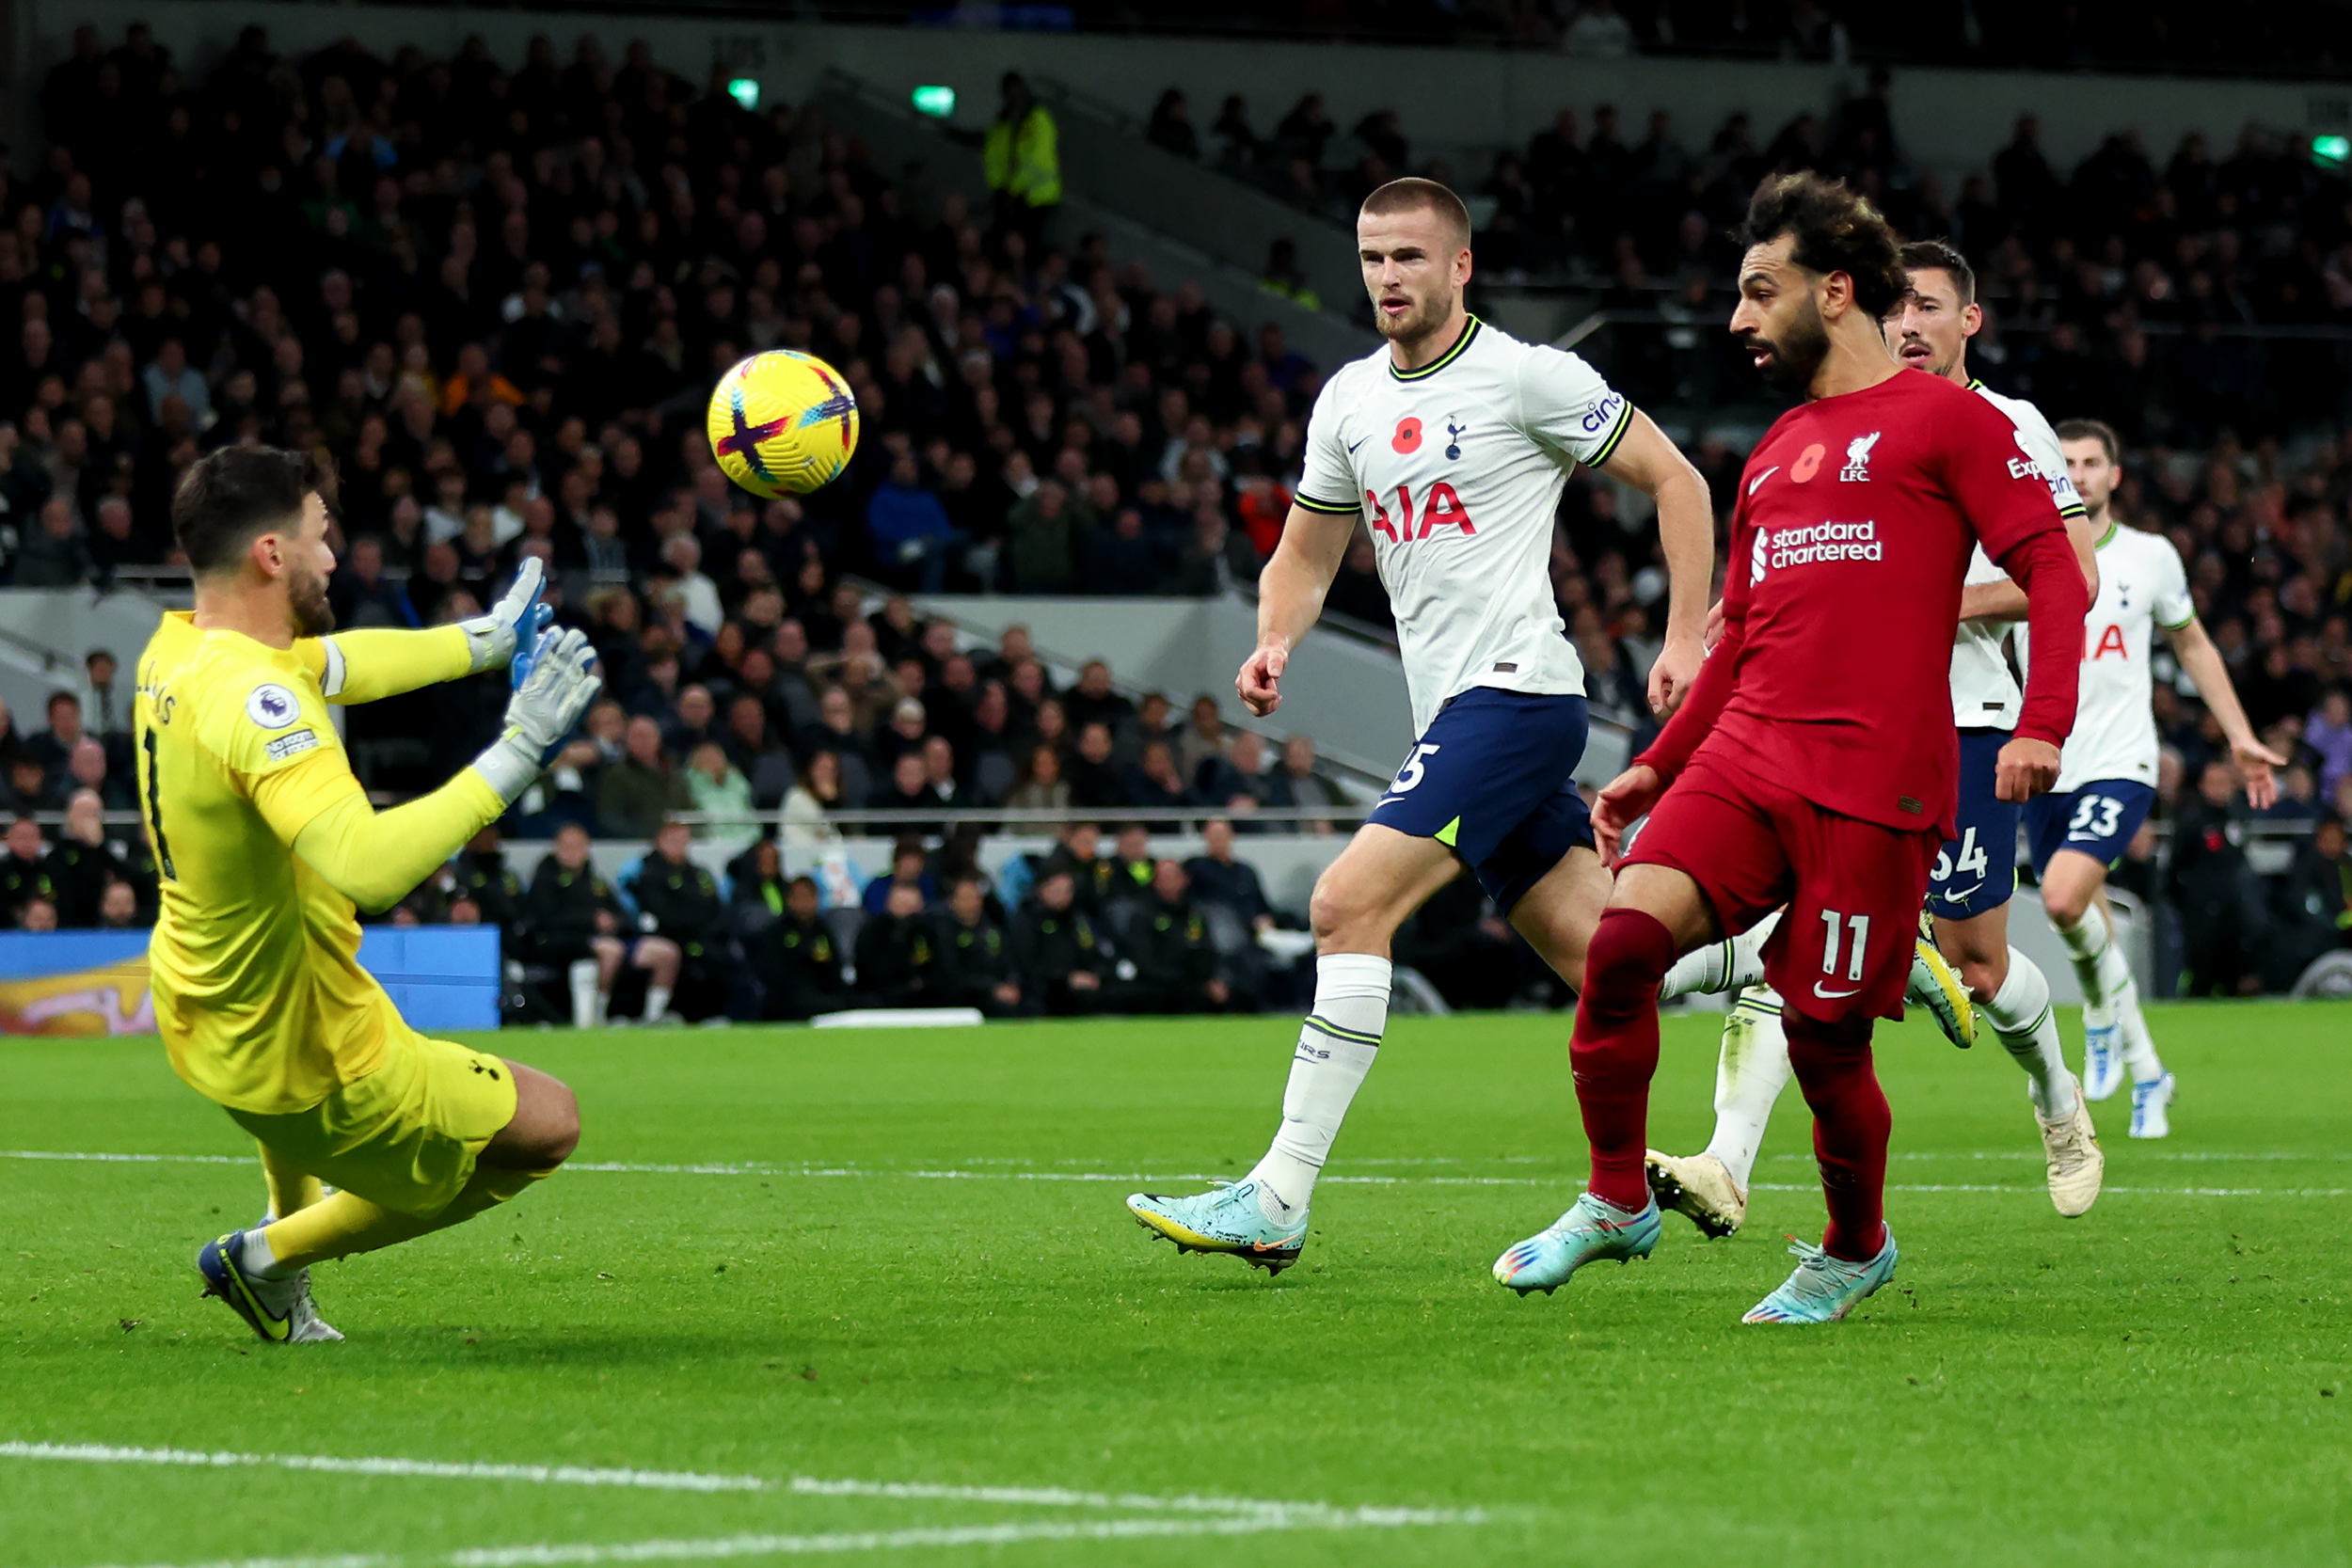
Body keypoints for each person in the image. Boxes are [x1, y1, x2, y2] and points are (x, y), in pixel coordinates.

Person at [1492, 173, 2088, 1323]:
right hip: (1748, 758)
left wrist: (2043, 721)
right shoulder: (1773, 452)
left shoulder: (1951, 421)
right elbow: (1743, 632)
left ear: (1834, 288)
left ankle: (1855, 1243)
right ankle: (1618, 1198)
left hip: (1876, 786)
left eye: (1759, 293)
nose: (1737, 319)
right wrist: (1659, 761)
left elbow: (2055, 568)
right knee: (1619, 944)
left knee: (1822, 1036)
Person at [1125, 176, 1713, 1275]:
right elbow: (1304, 553)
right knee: (1616, 957)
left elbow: (1675, 481)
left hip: (1518, 696)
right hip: (1451, 710)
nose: (1387, 277)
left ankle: (1278, 1193)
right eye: (1371, 258)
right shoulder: (1348, 399)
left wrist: (1683, 636)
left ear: (1458, 266)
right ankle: (1836, 954)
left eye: (1408, 257)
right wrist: (1276, 640)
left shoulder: (1528, 376)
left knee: (1345, 902)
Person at [1645, 238, 2109, 1235]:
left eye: (1931, 307)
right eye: (1897, 308)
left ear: (1968, 322)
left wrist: (1928, 602)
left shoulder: (2003, 422)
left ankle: (2057, 1100)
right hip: (1832, 725)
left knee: (1975, 962)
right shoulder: (1834, 422)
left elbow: (2072, 568)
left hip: (1962, 719)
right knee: (1790, 941)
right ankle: (1726, 1159)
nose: (1909, 324)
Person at [132, 445, 596, 1344]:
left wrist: (481, 641)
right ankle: (263, 1258)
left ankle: (276, 1272)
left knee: (318, 1004)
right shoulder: (256, 698)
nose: (334, 554)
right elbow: (368, 864)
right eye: (321, 533)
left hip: (201, 1009)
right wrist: (519, 750)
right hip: (313, 1058)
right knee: (550, 1125)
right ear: (273, 554)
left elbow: (341, 663)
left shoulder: (180, 646)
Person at [2016, 419, 2284, 1136]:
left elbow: (2192, 642)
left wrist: (2239, 736)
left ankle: (2101, 1016)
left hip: (2121, 760)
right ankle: (2147, 1067)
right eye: (2065, 461)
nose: (2078, 472)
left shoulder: (2150, 556)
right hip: (2047, 763)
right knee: (2084, 918)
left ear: (2115, 475)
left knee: (2065, 901)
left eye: (2091, 461)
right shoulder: (2016, 553)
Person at [522, 820, 673, 1027]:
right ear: (557, 848)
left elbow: (620, 912)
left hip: (611, 938)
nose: (573, 853)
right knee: (611, 951)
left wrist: (614, 922)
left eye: (579, 846)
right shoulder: (546, 880)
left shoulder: (594, 881)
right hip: (564, 942)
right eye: (568, 847)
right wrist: (591, 922)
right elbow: (547, 919)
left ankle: (652, 1018)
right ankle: (599, 1014)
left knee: (666, 953)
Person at [626, 818, 724, 1022]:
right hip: (671, 936)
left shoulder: (699, 874)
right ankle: (655, 1017)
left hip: (705, 935)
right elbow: (661, 912)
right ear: (659, 841)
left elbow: (716, 906)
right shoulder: (649, 873)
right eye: (673, 839)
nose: (679, 845)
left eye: (683, 839)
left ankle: (724, 1016)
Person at [1010, 869, 1111, 1015]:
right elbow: (1028, 965)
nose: (1063, 896)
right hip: (1046, 990)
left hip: (1079, 984)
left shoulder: (1077, 920)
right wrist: (1066, 978)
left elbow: (1092, 951)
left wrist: (1096, 974)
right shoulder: (1027, 920)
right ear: (1042, 889)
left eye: (1068, 891)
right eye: (1057, 890)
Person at [758, 875, 853, 1021]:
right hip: (788, 1001)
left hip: (822, 996)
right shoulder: (776, 933)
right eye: (799, 897)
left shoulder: (823, 932)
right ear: (789, 899)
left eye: (809, 897)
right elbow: (773, 973)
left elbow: (834, 967)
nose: (804, 903)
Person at [931, 876, 1024, 1016]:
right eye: (966, 898)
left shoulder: (993, 932)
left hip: (996, 993)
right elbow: (952, 974)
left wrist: (1012, 983)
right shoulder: (944, 933)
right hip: (965, 997)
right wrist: (992, 988)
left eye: (976, 898)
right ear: (953, 901)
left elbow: (1008, 962)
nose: (972, 904)